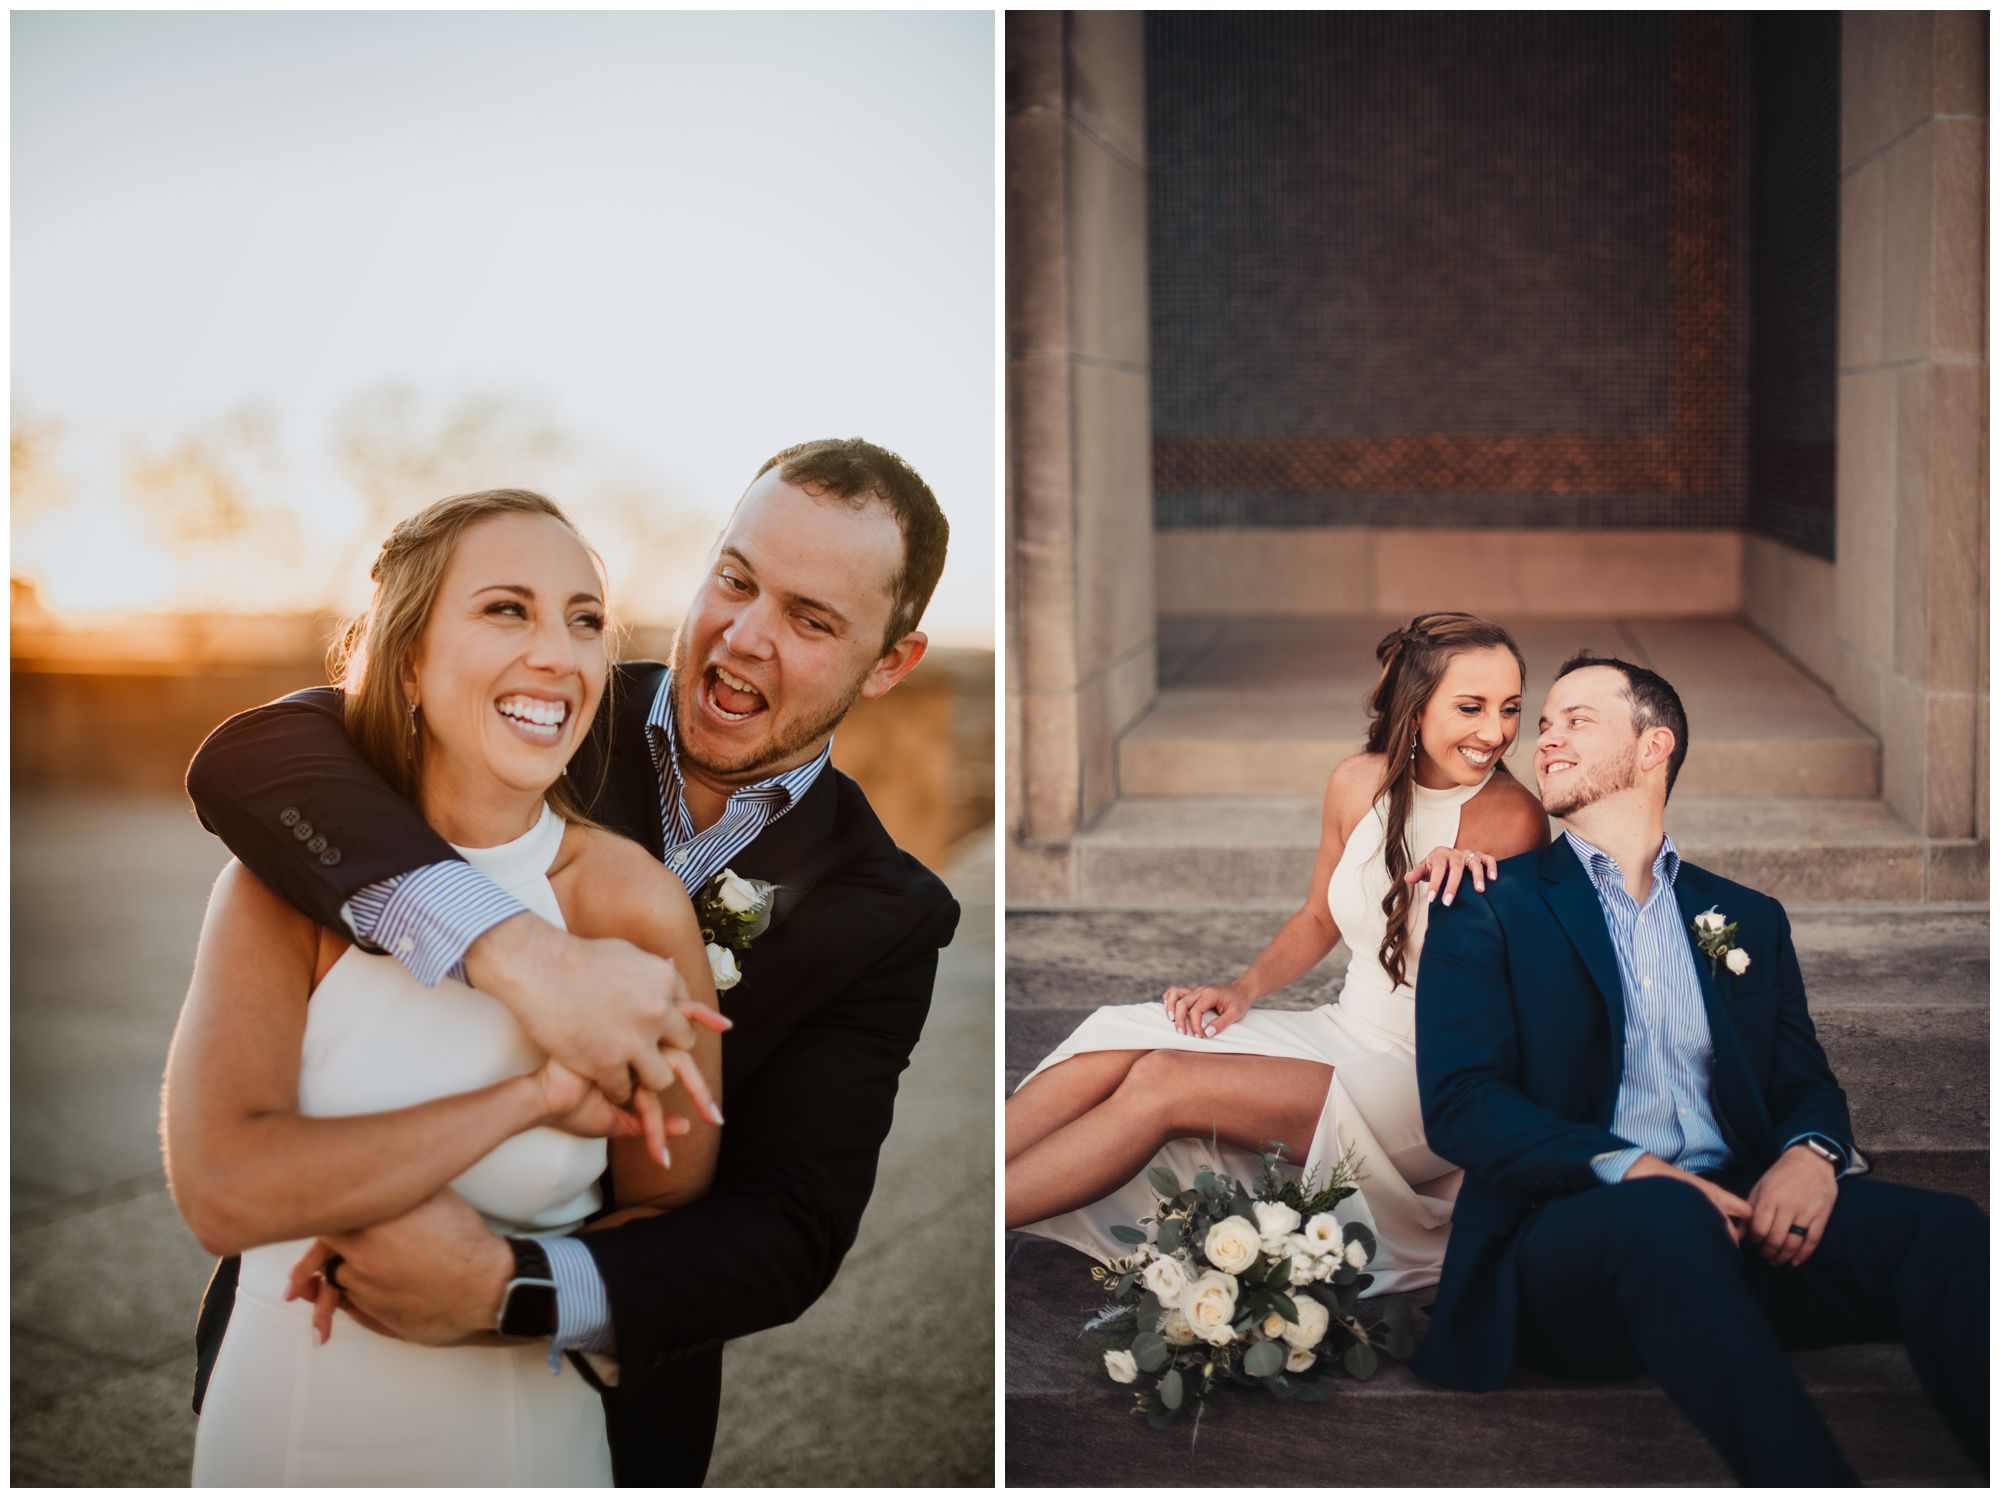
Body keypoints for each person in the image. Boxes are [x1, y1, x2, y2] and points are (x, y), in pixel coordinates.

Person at [181, 438, 960, 1486]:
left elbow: (787, 1228)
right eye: (734, 580)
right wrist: (515, 951)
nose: (743, 636)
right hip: (293, 1368)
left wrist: (505, 1289)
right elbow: (252, 760)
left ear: (889, 664)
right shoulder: (535, 707)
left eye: (810, 620)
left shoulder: (888, 914)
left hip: (587, 1411)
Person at [164, 488, 727, 1483]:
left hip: (516, 1440)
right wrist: (535, 1097)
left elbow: (675, 1227)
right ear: (409, 657)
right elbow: (222, 1187)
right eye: (506, 607)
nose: (558, 652)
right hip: (276, 1426)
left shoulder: (632, 908)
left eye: (584, 618)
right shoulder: (279, 887)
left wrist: (492, 1294)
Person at [1414, 655, 1989, 1485]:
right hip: (1571, 1249)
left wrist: (1811, 1155)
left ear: (1654, 748)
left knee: (1949, 1234)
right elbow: (1462, 1104)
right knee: (1664, 1218)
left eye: (1578, 719)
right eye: (1544, 725)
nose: (1544, 739)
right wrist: (1639, 1169)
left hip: (1737, 1226)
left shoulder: (1744, 917)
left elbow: (1802, 1080)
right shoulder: (1488, 904)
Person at [1007, 612, 1548, 1293]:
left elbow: (1523, 982)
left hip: (1431, 1074)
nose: (1495, 732)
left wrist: (1479, 896)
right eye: (1471, 707)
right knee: (1113, 1040)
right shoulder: (1357, 782)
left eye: (1510, 709)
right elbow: (1320, 914)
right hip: (1342, 1027)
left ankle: (972, 1227)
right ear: (1416, 710)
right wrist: (1242, 990)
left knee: (1166, 1078)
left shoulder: (1517, 818)